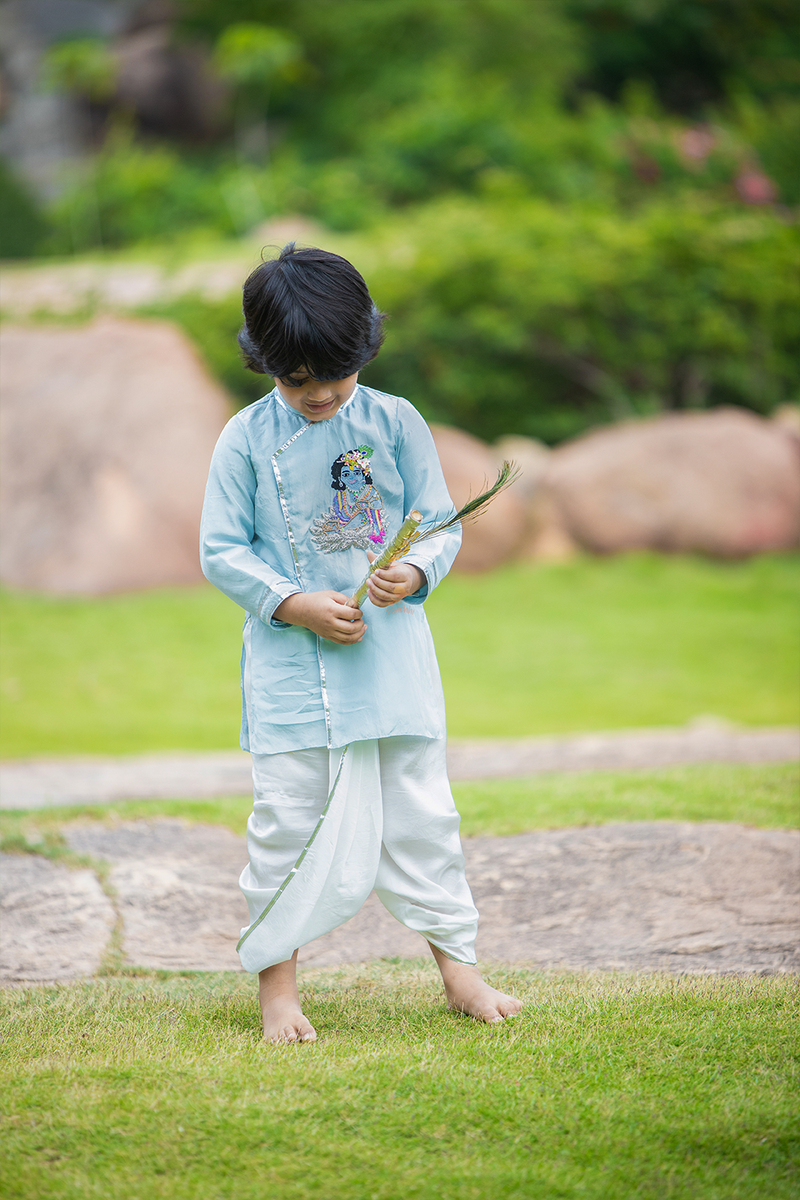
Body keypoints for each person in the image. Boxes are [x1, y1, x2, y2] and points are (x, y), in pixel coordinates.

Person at [200, 243, 522, 1043]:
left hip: (390, 666)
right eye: (295, 380)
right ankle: (279, 990)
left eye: (332, 377)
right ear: (263, 363)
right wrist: (294, 603)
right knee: (287, 819)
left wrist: (412, 572)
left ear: (363, 351)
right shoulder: (243, 439)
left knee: (421, 814)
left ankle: (461, 972)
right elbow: (221, 549)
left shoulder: (397, 421)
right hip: (288, 673)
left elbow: (439, 520)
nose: (316, 394)